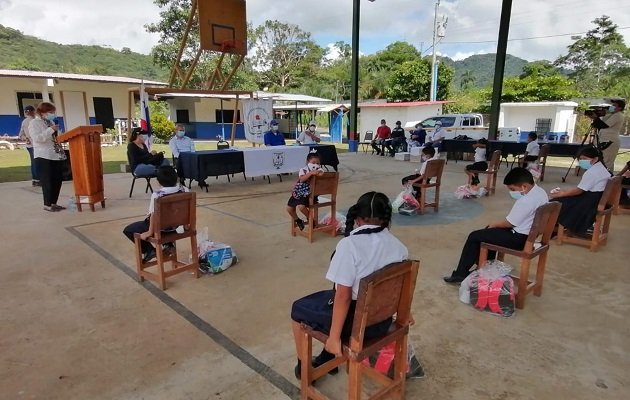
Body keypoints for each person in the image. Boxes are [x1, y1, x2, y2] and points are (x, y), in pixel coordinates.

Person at [290, 191, 408, 379]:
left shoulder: (349, 245)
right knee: (329, 297)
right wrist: (406, 314)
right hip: (382, 320)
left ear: (358, 219)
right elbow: (399, 287)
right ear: (386, 218)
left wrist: (334, 338)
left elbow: (343, 296)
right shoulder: (400, 247)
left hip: (355, 325)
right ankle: (326, 359)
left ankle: (304, 369)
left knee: (298, 308)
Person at [444, 167, 549, 283]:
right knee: (487, 234)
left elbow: (510, 223)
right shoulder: (540, 192)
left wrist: (494, 224)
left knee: (474, 236)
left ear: (524, 186)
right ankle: (485, 267)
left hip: (519, 239)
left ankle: (461, 274)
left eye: (513, 189)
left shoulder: (526, 201)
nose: (512, 192)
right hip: (529, 236)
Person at [122, 165, 187, 263]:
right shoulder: (184, 190)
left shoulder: (157, 195)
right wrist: (186, 226)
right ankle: (168, 244)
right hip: (174, 226)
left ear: (158, 181)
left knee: (129, 230)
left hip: (159, 227)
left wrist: (149, 232)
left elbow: (153, 215)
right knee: (166, 221)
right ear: (176, 178)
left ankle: (149, 250)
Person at [550, 147, 611, 235]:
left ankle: (555, 228)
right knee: (564, 198)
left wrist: (562, 193)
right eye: (580, 159)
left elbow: (579, 191)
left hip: (590, 202)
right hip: (597, 198)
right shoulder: (601, 167)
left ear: (595, 159)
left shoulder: (592, 172)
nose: (582, 161)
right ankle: (557, 226)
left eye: (585, 159)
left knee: (557, 203)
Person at [29, 102, 67, 212]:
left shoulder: (50, 122)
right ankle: (47, 204)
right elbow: (37, 138)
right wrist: (50, 130)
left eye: (53, 112)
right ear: (42, 112)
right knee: (47, 180)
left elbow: (54, 137)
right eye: (50, 112)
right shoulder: (34, 123)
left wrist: (58, 133)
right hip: (43, 155)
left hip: (55, 154)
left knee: (57, 180)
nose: (52, 114)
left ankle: (54, 202)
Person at [286, 153, 324, 231]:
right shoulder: (303, 170)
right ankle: (298, 220)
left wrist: (318, 172)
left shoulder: (319, 170)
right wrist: (310, 173)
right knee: (289, 208)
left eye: (318, 163)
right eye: (313, 162)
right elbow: (302, 179)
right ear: (307, 162)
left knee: (301, 206)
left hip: (310, 194)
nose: (316, 165)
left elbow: (321, 174)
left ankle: (310, 219)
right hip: (299, 192)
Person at [597, 99, 625, 171]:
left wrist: (595, 117)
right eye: (612, 105)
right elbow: (598, 125)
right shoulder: (611, 114)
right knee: (604, 160)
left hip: (610, 141)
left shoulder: (618, 115)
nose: (612, 107)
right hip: (604, 139)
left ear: (620, 108)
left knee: (606, 162)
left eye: (614, 105)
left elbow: (604, 125)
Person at [18, 105, 39, 186]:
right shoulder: (35, 121)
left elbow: (20, 135)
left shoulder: (24, 121)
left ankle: (35, 179)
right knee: (37, 162)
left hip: (30, 145)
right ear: (33, 111)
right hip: (35, 144)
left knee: (33, 162)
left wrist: (25, 138)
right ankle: (37, 179)